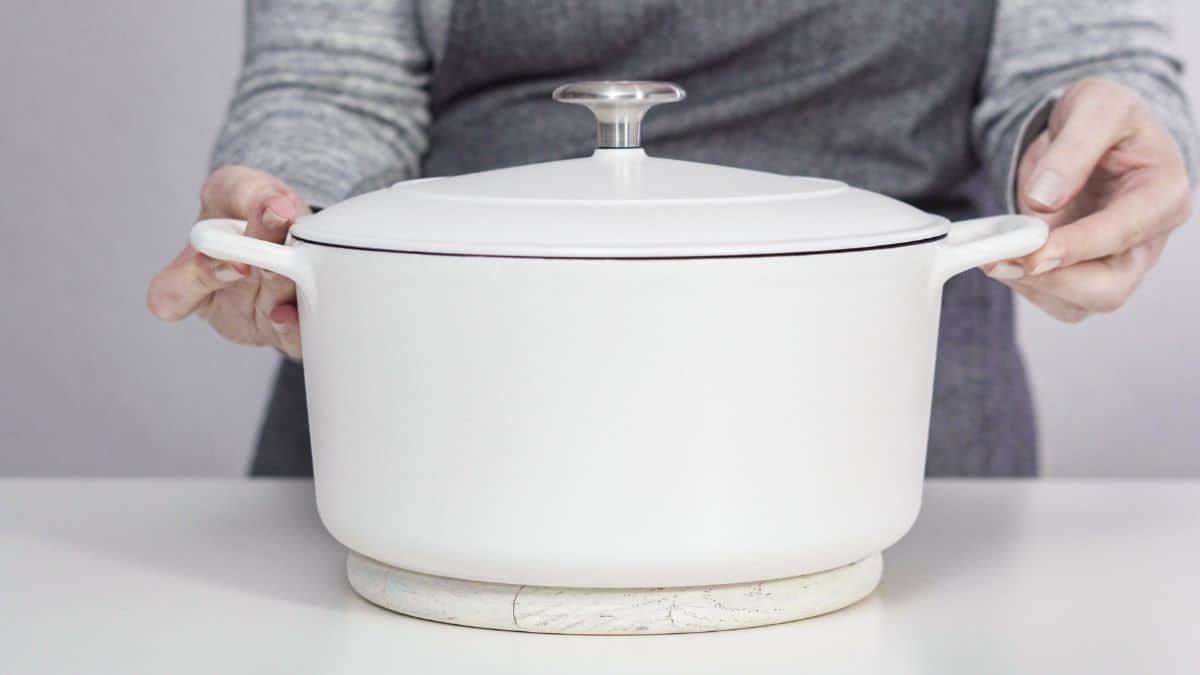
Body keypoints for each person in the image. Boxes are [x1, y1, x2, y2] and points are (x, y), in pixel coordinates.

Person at [147, 1, 1195, 477]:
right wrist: (289, 218)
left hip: (889, 433)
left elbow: (1087, 52)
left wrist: (1090, 153)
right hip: (438, 404)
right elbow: (334, 78)